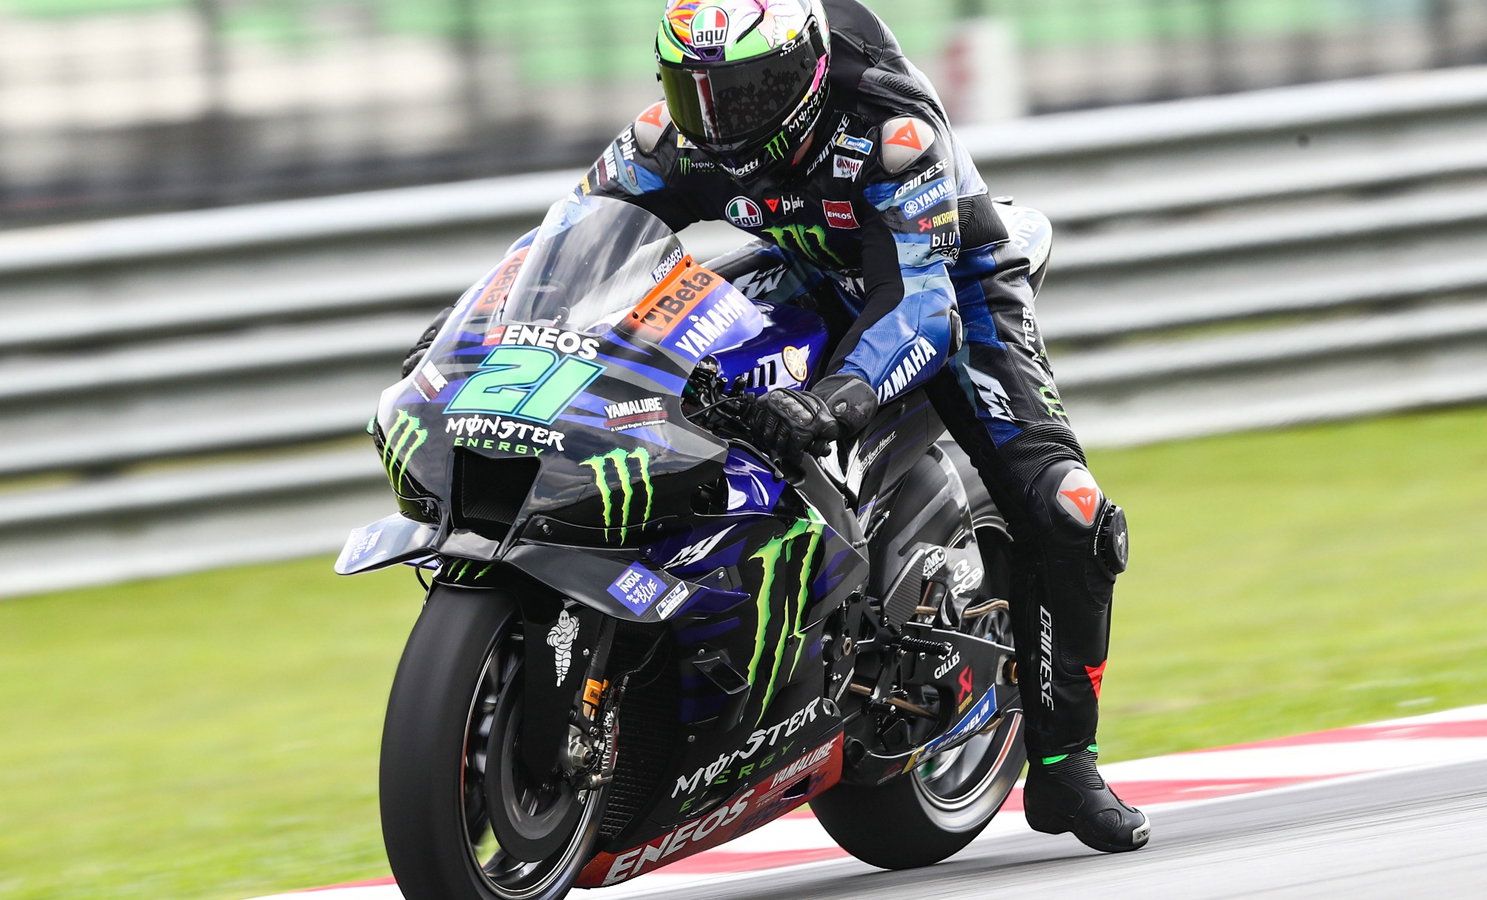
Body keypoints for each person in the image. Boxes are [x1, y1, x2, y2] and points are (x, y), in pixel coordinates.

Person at [406, 0, 1148, 854]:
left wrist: (835, 399)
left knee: (1072, 511)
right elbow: (566, 245)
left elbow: (918, 306)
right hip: (797, 270)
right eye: (696, 91)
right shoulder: (670, 137)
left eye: (746, 92)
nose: (718, 118)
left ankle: (1066, 764)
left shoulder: (889, 131)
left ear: (806, 73)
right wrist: (481, 332)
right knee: (670, 389)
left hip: (947, 288)